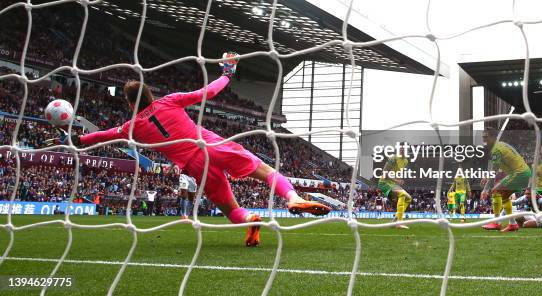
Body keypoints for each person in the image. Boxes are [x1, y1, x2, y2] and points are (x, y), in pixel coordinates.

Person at [54, 52, 330, 247]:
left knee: (228, 207)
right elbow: (208, 92)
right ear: (150, 93)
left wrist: (80, 141)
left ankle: (249, 219)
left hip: (195, 165)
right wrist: (227, 74)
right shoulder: (170, 101)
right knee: (266, 171)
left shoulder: (132, 126)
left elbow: (106, 135)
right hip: (213, 145)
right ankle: (292, 198)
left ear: (129, 104)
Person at [481, 127, 532, 232]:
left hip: (519, 173)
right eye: (483, 137)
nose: (484, 140)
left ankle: (497, 222)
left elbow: (494, 171)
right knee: (503, 195)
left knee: (496, 190)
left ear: (494, 137)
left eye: (486, 137)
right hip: (522, 172)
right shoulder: (501, 145)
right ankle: (511, 224)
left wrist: (485, 189)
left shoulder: (496, 150)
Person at [377, 145, 412, 229]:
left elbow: (394, 173)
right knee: (402, 194)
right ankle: (399, 223)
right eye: (401, 149)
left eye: (404, 149)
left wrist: (397, 180)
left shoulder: (405, 161)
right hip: (384, 182)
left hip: (392, 183)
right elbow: (384, 174)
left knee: (409, 198)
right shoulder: (393, 158)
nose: (402, 151)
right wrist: (397, 180)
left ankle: (394, 221)